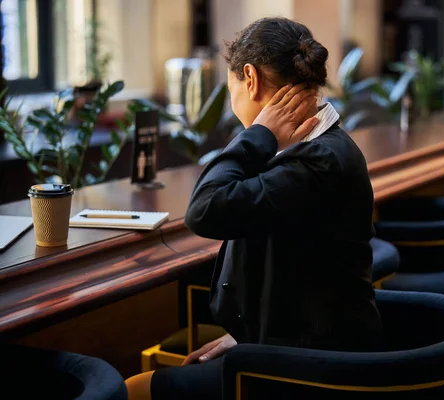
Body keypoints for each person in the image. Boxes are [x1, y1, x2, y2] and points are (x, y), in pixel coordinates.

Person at [126, 17, 383, 400]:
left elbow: (205, 209)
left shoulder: (317, 161)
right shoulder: (315, 148)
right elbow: (306, 274)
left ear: (250, 78)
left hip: (308, 371)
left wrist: (257, 133)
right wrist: (242, 336)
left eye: (231, 89)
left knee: (134, 389)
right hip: (294, 343)